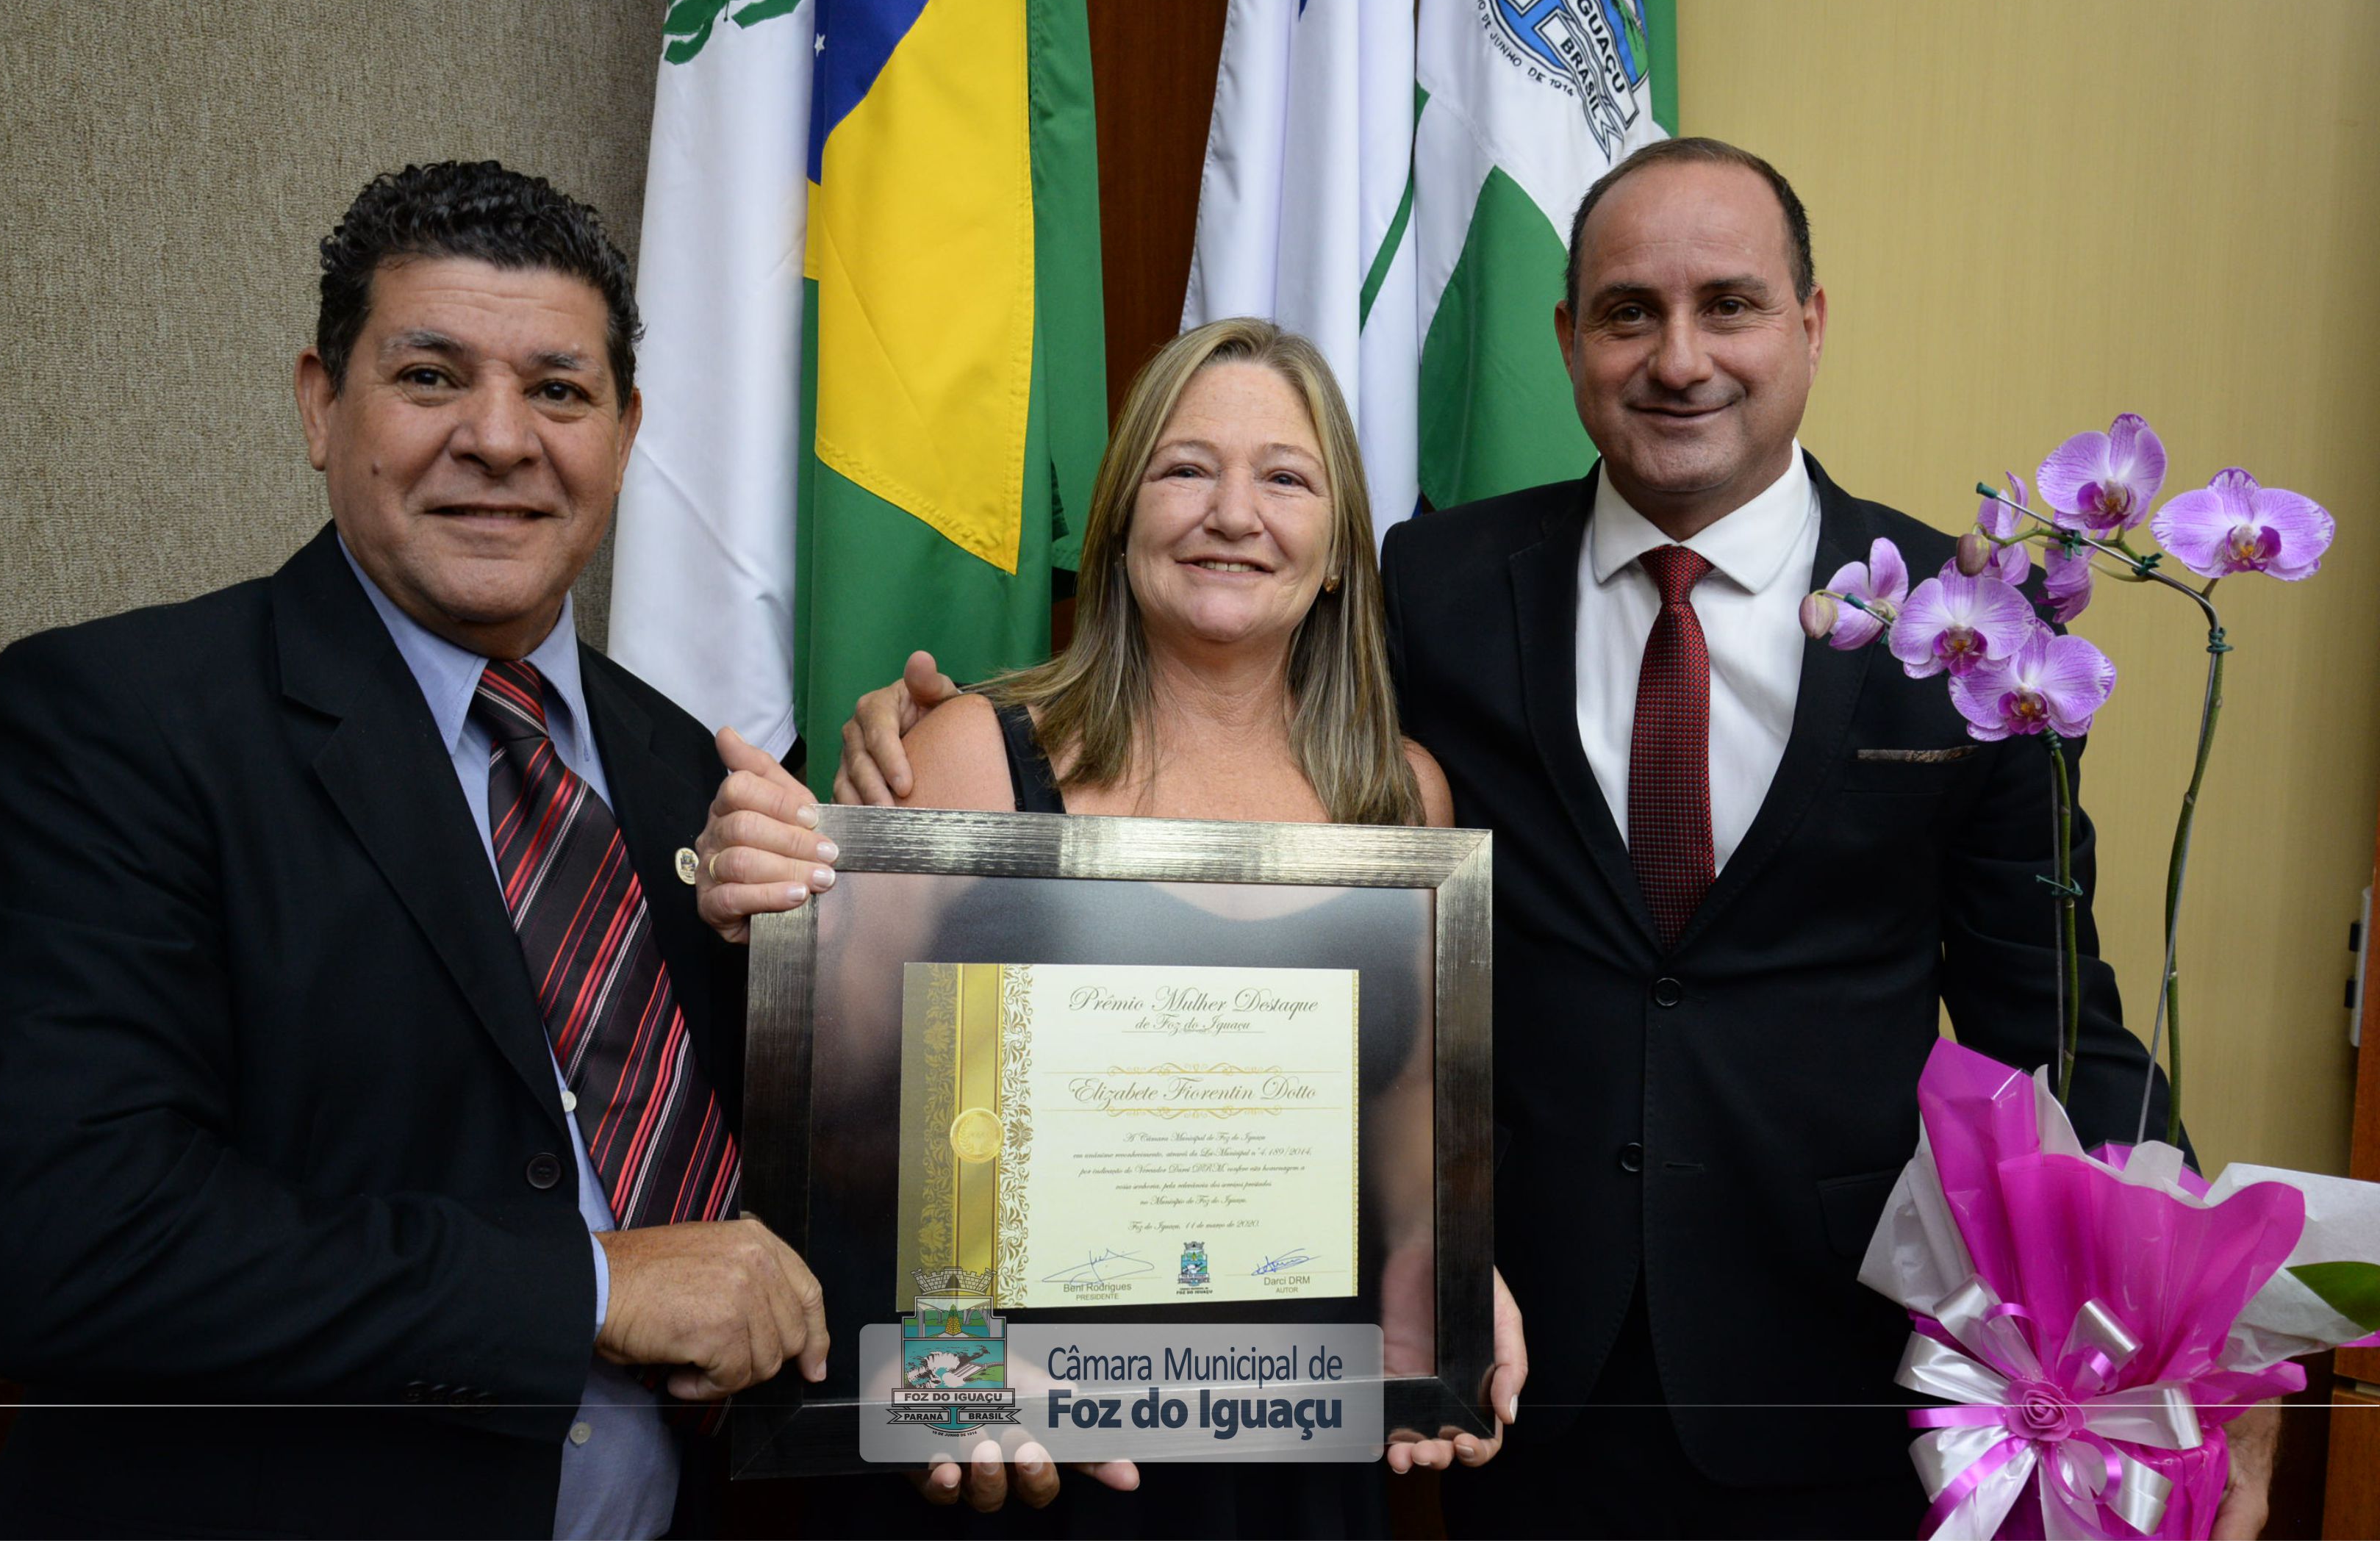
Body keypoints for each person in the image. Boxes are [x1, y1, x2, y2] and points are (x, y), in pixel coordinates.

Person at [722, 140, 2277, 1539]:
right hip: (1520, 1392)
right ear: (1567, 338)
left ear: (1810, 323)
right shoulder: (1440, 590)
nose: (1679, 357)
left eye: (1730, 306)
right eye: (1627, 313)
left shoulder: (1966, 634)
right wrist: (896, 763)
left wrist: (2209, 1333)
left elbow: (2055, 1030)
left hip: (1827, 1376)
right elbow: (1196, 751)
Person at [0, 160, 844, 1540]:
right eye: (430, 376)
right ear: (320, 403)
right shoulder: (119, 721)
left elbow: (784, 1207)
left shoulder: (700, 778)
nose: (500, 438)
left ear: (626, 432)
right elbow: (56, 1242)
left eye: (559, 390)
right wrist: (593, 1290)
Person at [696, 319, 1527, 1531]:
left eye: (1285, 478)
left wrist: (1451, 1277)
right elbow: (848, 1133)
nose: (1232, 513)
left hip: (1293, 1443)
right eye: (1185, 468)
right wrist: (942, 1382)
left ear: (1341, 552)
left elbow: (1404, 1123)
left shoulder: (1402, 800)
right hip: (1020, 1441)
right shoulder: (971, 759)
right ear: (1121, 520)